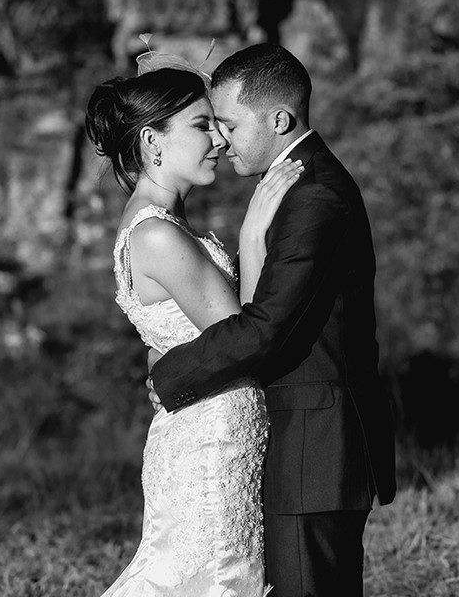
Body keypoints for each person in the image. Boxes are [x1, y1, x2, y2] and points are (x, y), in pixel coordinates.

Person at [150, 43, 397, 597]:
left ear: (280, 120)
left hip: (315, 450)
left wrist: (170, 373)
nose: (221, 139)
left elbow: (268, 329)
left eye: (231, 124)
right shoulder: (295, 187)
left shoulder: (313, 197)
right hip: (306, 448)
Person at [84, 51, 303, 596]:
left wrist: (163, 355)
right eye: (201, 125)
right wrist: (253, 234)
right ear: (152, 142)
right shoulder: (157, 233)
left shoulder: (165, 223)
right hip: (209, 441)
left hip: (215, 427)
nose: (220, 140)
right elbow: (246, 336)